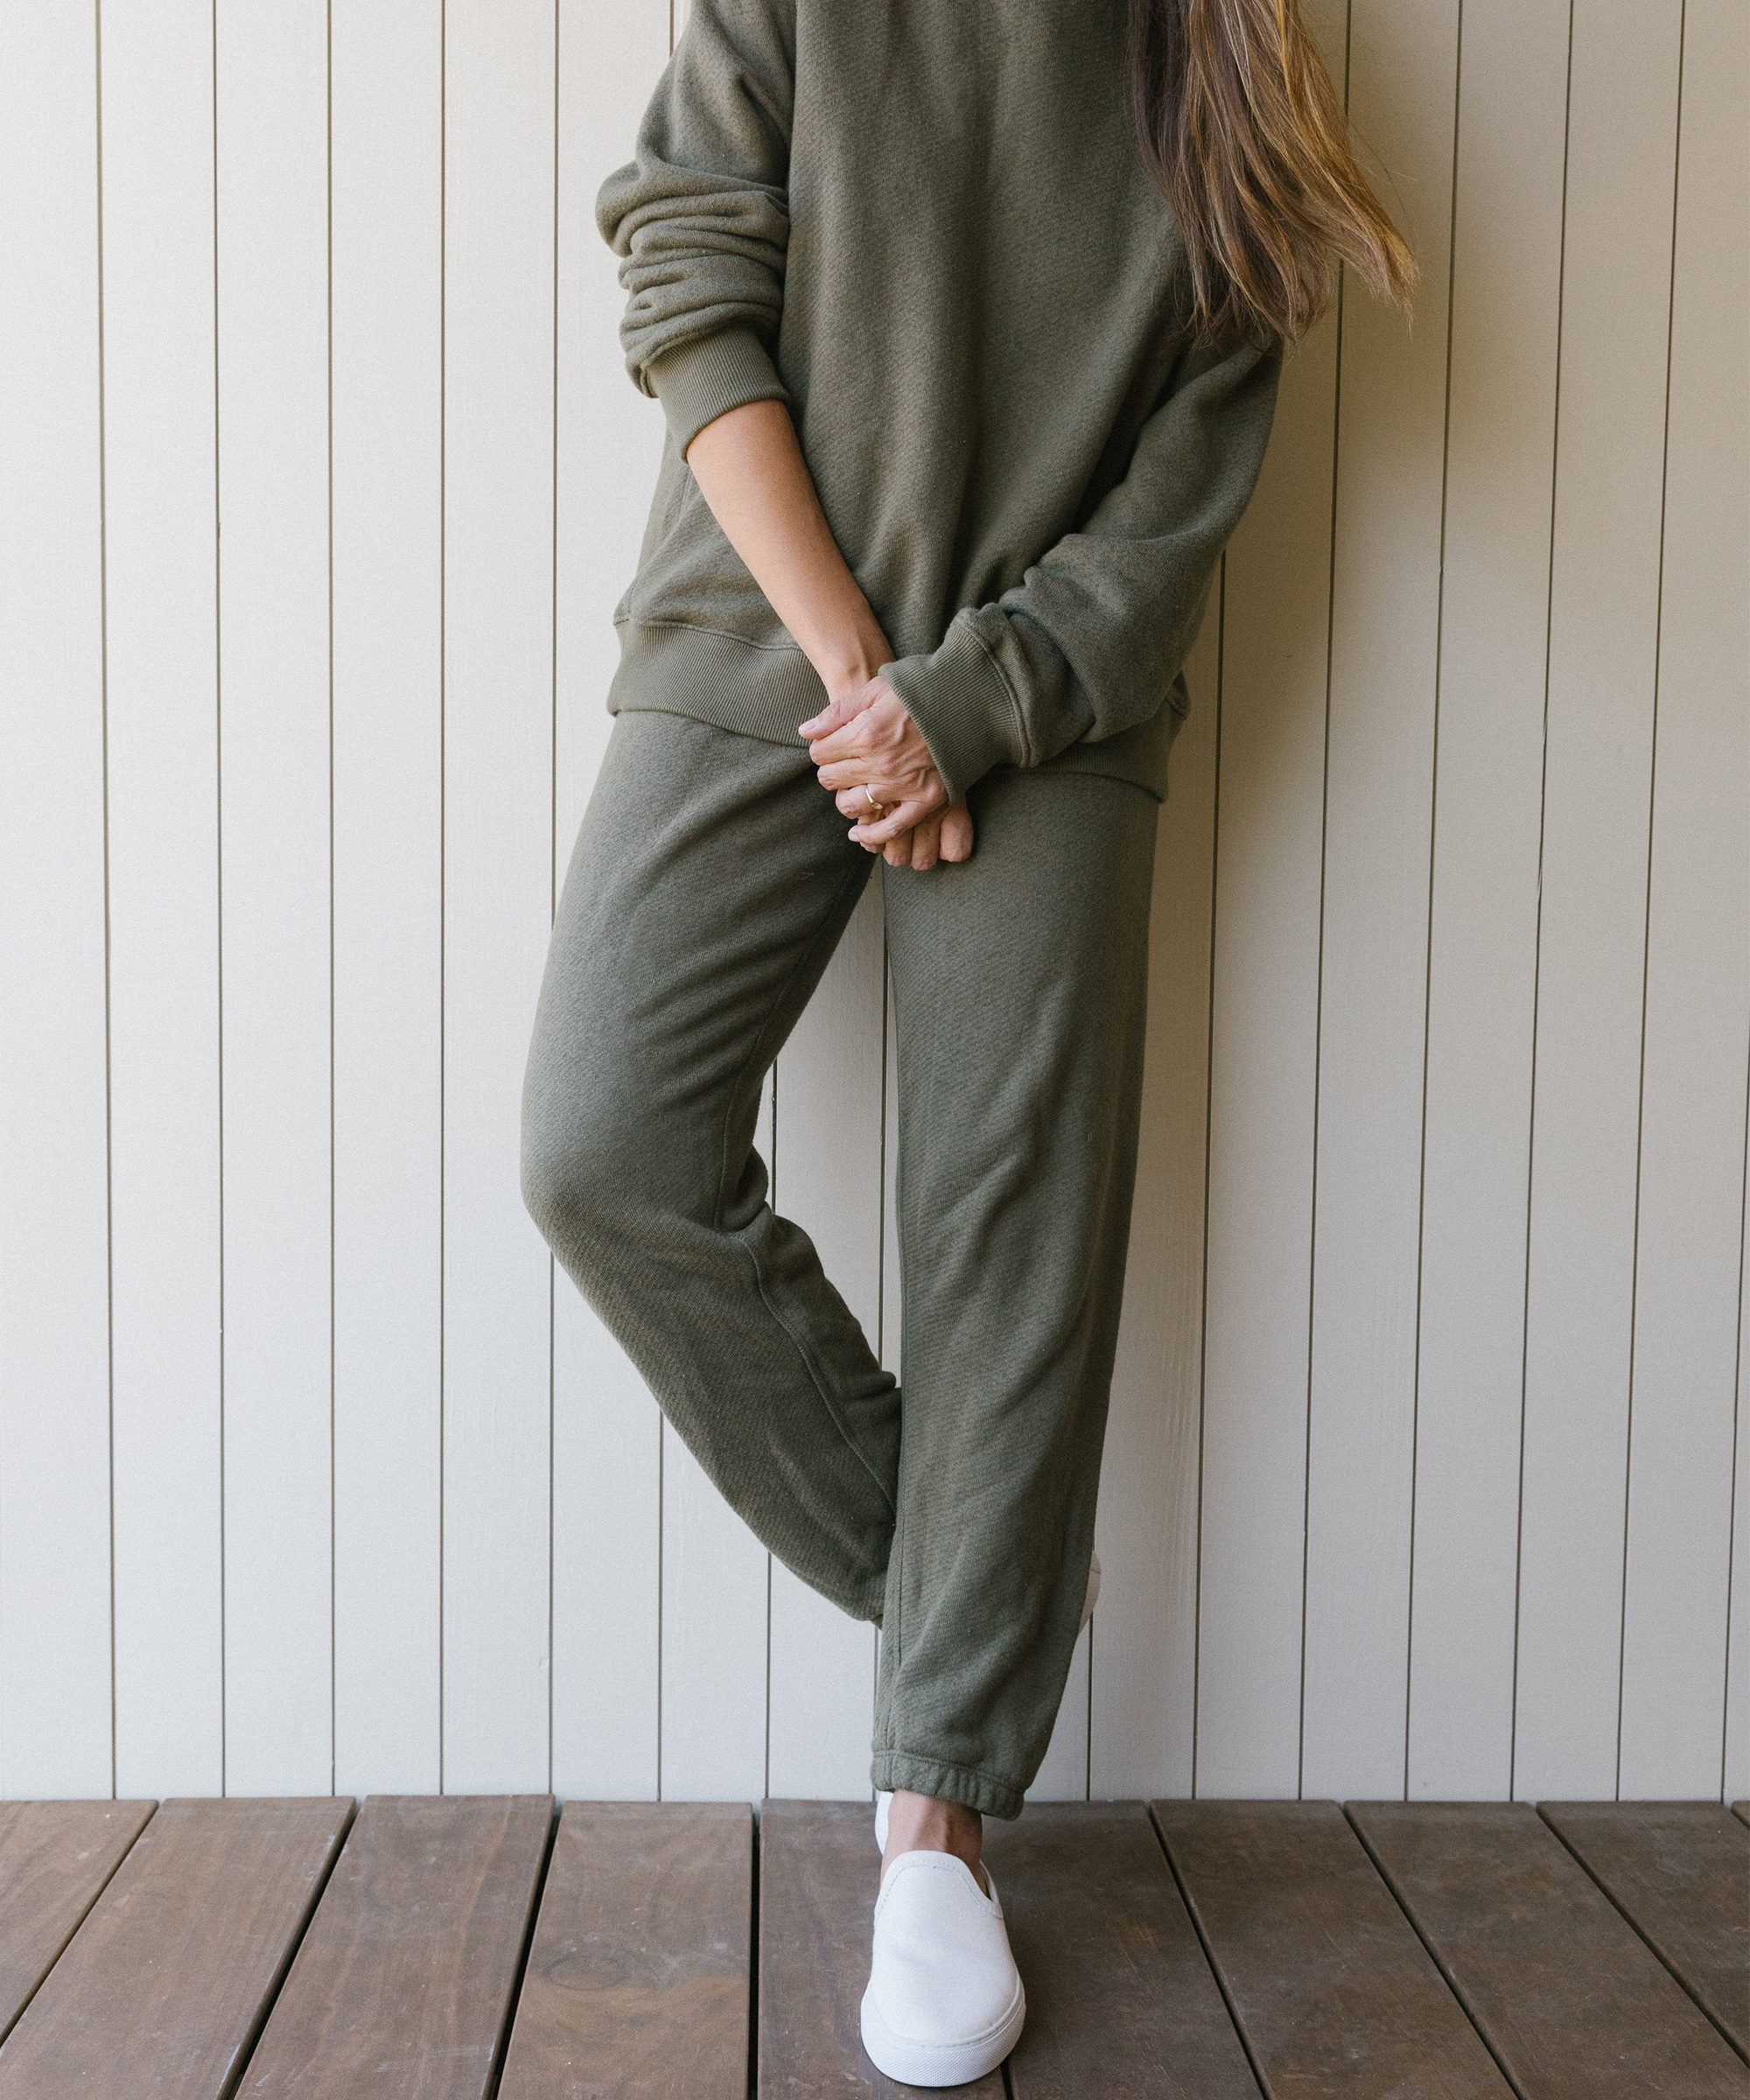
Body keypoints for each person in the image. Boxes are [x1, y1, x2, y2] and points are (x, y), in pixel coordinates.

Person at [522, 0, 1412, 2080]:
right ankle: (970, 1587)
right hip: (771, 632)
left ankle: (940, 1816)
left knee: (1010, 1226)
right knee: (598, 1141)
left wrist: (975, 703)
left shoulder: (1236, 57)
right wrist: (862, 682)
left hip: (1054, 700)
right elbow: (684, 261)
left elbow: (1187, 489)